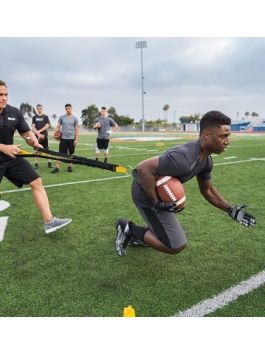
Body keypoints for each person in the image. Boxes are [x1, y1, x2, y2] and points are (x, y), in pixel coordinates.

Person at [115, 110, 256, 257]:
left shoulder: (206, 161)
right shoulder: (183, 158)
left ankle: (148, 233)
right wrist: (156, 202)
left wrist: (229, 209)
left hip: (160, 192)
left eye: (228, 136)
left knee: (171, 234)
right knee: (175, 245)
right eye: (223, 136)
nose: (227, 141)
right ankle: (128, 229)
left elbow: (207, 190)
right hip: (145, 192)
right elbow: (142, 169)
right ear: (206, 135)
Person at [0, 80, 72, 234]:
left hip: (11, 157)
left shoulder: (14, 112)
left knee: (36, 181)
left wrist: (32, 139)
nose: (4, 98)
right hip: (6, 150)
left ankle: (49, 222)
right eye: (0, 95)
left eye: (6, 94)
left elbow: (25, 131)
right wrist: (4, 147)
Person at [52, 103, 79, 173]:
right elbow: (58, 126)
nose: (67, 110)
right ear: (65, 109)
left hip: (72, 139)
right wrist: (54, 133)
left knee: (70, 154)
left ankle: (69, 166)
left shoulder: (75, 118)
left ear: (71, 108)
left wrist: (76, 139)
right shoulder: (62, 117)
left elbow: (77, 129)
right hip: (63, 138)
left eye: (69, 108)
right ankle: (57, 168)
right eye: (66, 109)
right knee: (60, 154)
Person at [31, 104, 52, 169]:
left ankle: (49, 163)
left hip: (44, 136)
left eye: (40, 108)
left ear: (42, 108)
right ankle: (36, 164)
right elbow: (33, 126)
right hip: (37, 136)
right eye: (38, 108)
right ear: (37, 109)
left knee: (47, 150)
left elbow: (47, 125)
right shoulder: (34, 117)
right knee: (37, 150)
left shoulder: (45, 117)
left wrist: (39, 131)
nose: (39, 109)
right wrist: (37, 133)